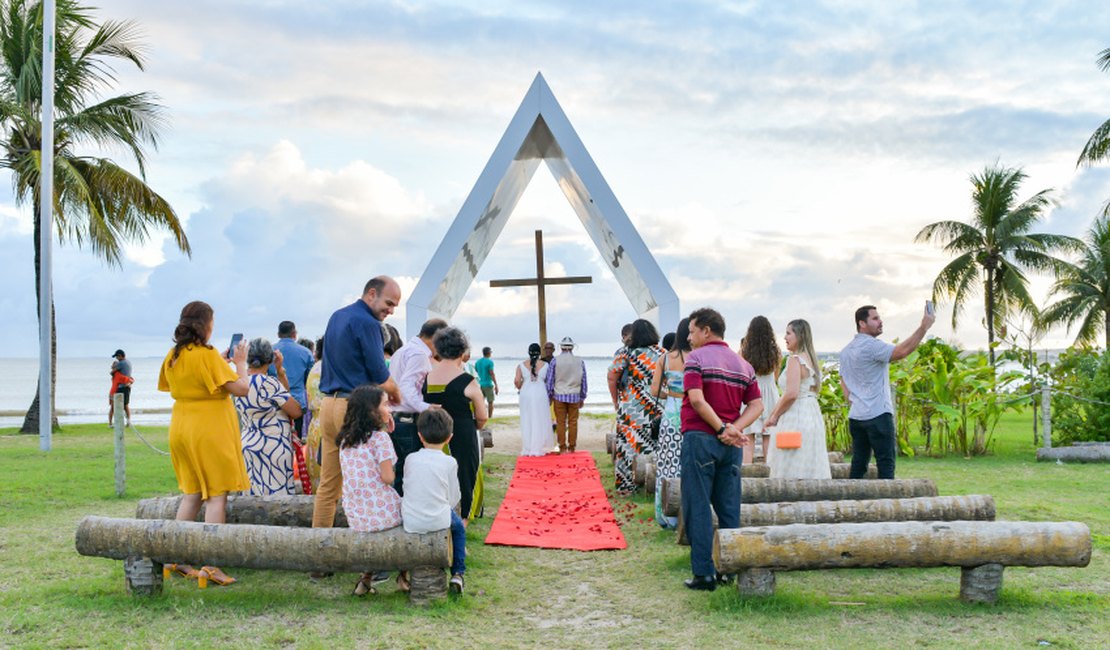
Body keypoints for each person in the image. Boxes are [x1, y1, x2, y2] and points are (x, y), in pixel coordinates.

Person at [157, 300, 251, 586]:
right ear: (206, 326)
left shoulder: (173, 355)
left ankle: (174, 556)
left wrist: (220, 364)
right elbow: (242, 389)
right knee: (216, 495)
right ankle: (211, 564)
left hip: (182, 426)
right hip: (208, 429)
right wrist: (240, 363)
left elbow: (184, 384)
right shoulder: (207, 355)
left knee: (193, 493)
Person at [312, 276, 402, 538]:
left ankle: (318, 553)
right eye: (389, 303)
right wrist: (396, 393)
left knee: (328, 486)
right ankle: (373, 551)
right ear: (371, 294)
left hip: (329, 405)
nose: (391, 310)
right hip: (354, 408)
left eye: (395, 306)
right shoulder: (367, 323)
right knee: (369, 481)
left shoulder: (337, 316)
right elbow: (378, 373)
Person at [680, 308, 763, 591]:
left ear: (706, 330)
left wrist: (721, 429)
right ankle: (728, 569)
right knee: (729, 507)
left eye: (692, 331)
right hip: (730, 446)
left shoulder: (696, 359)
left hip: (701, 439)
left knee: (698, 505)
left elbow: (697, 400)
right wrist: (735, 429)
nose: (689, 338)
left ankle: (703, 573)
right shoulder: (743, 365)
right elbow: (757, 405)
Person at [839, 304, 935, 479]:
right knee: (886, 465)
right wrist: (923, 327)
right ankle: (887, 503)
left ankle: (852, 501)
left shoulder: (845, 351)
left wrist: (853, 401)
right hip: (877, 414)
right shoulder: (872, 346)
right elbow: (902, 351)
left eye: (879, 318)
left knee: (858, 465)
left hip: (856, 416)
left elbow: (842, 380)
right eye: (875, 319)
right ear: (862, 323)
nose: (880, 321)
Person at [337, 385, 403, 597]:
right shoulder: (380, 439)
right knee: (410, 513)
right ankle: (404, 576)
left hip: (356, 515)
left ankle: (365, 580)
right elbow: (388, 478)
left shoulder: (346, 440)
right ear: (372, 412)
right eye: (385, 405)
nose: (390, 408)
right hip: (381, 515)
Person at [423, 327, 488, 524]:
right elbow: (482, 416)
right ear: (462, 352)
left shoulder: (428, 377)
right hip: (462, 432)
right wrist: (476, 424)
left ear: (439, 350)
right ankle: (463, 519)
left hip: (431, 434)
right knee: (465, 476)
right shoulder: (468, 381)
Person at [402, 408, 467, 595]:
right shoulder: (450, 462)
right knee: (459, 528)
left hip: (411, 520)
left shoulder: (410, 459)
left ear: (420, 436)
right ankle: (458, 572)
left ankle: (402, 574)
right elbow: (454, 497)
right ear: (450, 438)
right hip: (439, 519)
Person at [763, 320, 831, 479]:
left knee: (791, 459)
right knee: (807, 459)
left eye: (788, 333)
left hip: (796, 415)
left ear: (799, 335)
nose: (785, 337)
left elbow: (791, 393)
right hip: (811, 413)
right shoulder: (811, 359)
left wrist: (774, 416)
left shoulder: (795, 359)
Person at [235, 338, 303, 495]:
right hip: (274, 446)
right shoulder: (269, 383)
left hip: (248, 443)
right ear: (270, 359)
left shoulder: (239, 383)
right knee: (279, 497)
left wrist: (279, 372)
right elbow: (295, 410)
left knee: (251, 498)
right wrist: (279, 370)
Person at [388, 318, 448, 495]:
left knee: (401, 472)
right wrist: (426, 407)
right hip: (407, 421)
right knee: (411, 474)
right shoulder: (419, 354)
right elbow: (407, 387)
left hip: (395, 419)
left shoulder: (402, 350)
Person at [607, 319, 665, 494]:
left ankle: (627, 486)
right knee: (655, 444)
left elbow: (612, 377)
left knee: (628, 446)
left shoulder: (626, 354)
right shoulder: (663, 353)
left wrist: (615, 401)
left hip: (631, 407)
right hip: (657, 405)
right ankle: (654, 484)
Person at [649, 318, 691, 529]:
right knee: (688, 463)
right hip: (692, 411)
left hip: (671, 413)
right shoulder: (696, 357)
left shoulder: (665, 359)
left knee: (667, 463)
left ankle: (666, 515)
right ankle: (688, 512)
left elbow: (654, 391)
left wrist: (671, 395)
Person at [740, 316, 782, 463]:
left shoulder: (744, 352)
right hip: (771, 394)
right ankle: (770, 472)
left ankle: (746, 471)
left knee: (748, 438)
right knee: (768, 436)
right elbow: (775, 377)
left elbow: (742, 375)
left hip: (751, 395)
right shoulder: (776, 351)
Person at [270, 321, 314, 436]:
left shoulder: (270, 352)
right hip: (298, 403)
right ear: (294, 334)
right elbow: (310, 380)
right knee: (298, 440)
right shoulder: (306, 353)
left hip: (275, 402)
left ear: (278, 334)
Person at [545, 337, 587, 453]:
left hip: (559, 395)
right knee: (573, 422)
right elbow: (583, 380)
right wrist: (582, 397)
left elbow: (550, 380)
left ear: (561, 347)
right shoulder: (580, 361)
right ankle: (572, 447)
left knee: (560, 422)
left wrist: (549, 395)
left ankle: (562, 446)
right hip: (574, 395)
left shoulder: (555, 361)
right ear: (572, 347)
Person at [516, 343, 553, 456]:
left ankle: (528, 446)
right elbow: (549, 381)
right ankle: (540, 446)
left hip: (526, 394)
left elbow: (517, 382)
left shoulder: (521, 365)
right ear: (539, 352)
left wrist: (523, 385)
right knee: (540, 418)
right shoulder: (546, 365)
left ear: (528, 352)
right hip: (540, 393)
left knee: (527, 418)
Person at [303, 337, 325, 493]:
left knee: (318, 480)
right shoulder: (333, 368)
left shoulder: (315, 367)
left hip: (316, 425)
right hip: (330, 426)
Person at [108, 349, 134, 427]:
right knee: (126, 405)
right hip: (127, 386)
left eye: (117, 356)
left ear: (120, 355)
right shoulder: (128, 362)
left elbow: (111, 372)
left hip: (120, 388)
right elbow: (130, 378)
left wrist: (113, 368)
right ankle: (128, 422)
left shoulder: (121, 364)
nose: (116, 358)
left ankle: (111, 423)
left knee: (114, 406)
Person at [474, 347, 498, 417]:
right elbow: (492, 373)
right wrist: (496, 384)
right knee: (490, 402)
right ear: (489, 352)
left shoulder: (478, 362)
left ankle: (479, 416)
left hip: (480, 384)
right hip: (488, 384)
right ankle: (490, 417)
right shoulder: (490, 362)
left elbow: (476, 371)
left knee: (480, 402)